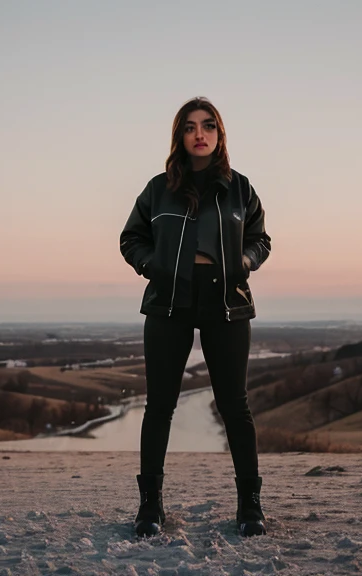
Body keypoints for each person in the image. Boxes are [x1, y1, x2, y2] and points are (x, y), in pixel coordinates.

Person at [119, 97, 272, 538]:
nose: (199, 134)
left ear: (220, 135)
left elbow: (261, 238)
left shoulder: (240, 188)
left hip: (226, 300)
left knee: (234, 406)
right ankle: (150, 507)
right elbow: (131, 238)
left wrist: (244, 260)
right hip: (170, 299)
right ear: (180, 136)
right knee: (160, 406)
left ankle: (250, 505)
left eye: (208, 126)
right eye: (190, 127)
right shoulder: (158, 188)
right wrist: (155, 267)